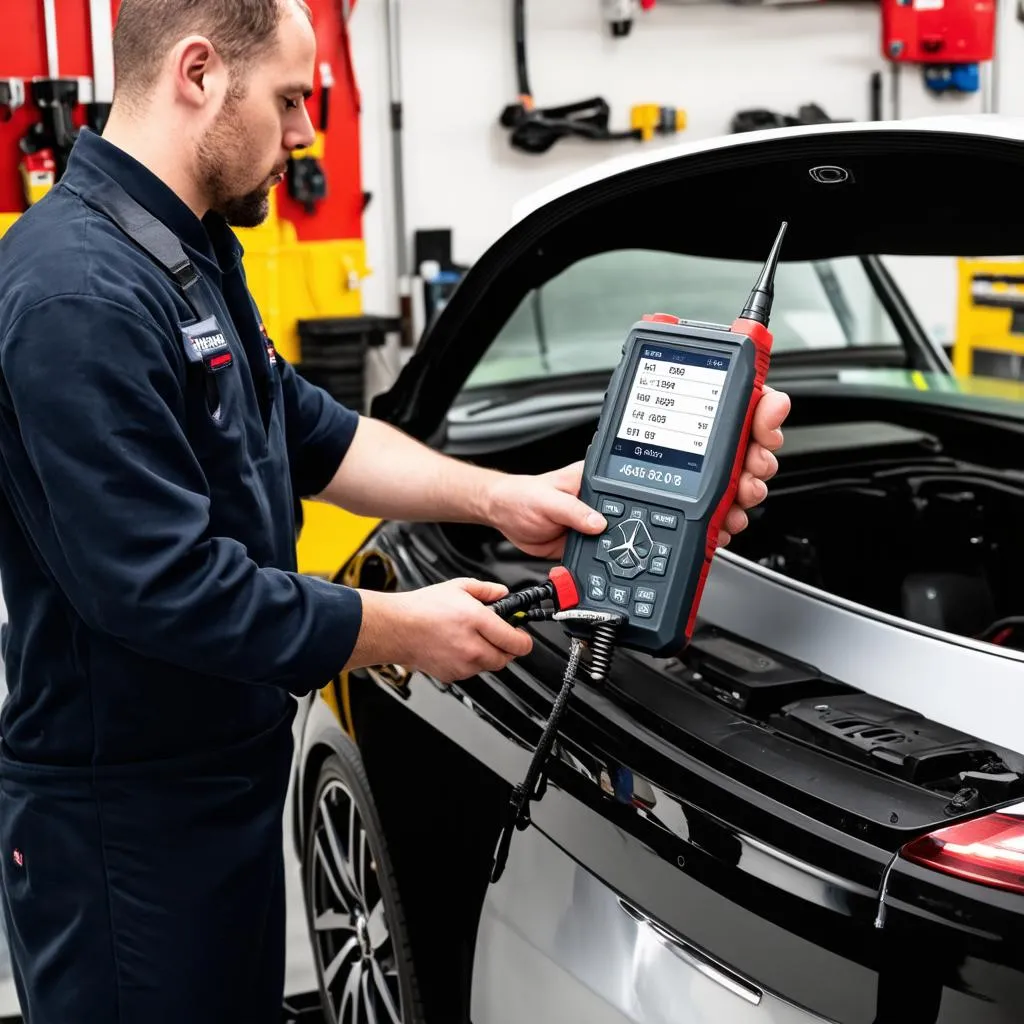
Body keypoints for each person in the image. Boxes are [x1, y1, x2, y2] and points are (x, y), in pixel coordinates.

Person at [0, 0, 790, 1021]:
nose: (300, 134)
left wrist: (498, 497)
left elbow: (303, 429)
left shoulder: (179, 250)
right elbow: (163, 587)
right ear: (197, 72)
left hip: (211, 776)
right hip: (124, 823)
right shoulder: (77, 291)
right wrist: (400, 632)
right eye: (290, 99)